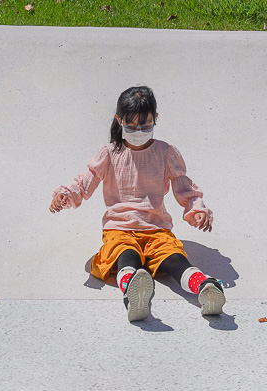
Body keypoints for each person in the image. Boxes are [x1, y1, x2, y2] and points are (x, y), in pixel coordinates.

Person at [50, 85, 225, 322]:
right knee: (126, 254)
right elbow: (84, 183)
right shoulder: (109, 153)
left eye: (146, 125)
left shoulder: (166, 152)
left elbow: (186, 188)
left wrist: (196, 210)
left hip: (156, 228)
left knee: (174, 258)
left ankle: (204, 287)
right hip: (119, 228)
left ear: (156, 119)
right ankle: (133, 293)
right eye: (131, 126)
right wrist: (66, 195)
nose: (139, 131)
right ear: (118, 120)